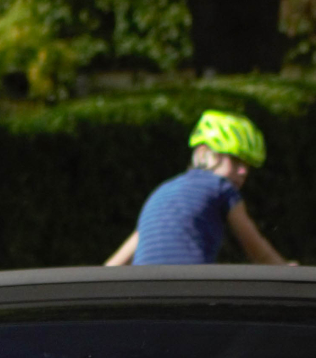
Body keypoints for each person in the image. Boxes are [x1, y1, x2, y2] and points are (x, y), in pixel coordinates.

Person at [105, 110, 296, 267]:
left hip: (145, 291)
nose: (244, 171)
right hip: (190, 287)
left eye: (248, 165)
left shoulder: (161, 192)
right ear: (204, 155)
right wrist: (286, 271)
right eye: (235, 160)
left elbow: (115, 264)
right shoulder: (221, 187)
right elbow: (258, 252)